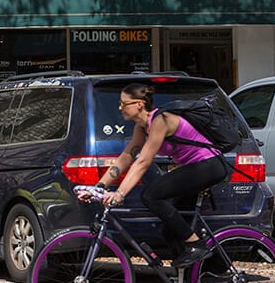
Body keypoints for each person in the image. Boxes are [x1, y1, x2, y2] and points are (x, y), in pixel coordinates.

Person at [91, 83, 229, 268]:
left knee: (151, 195)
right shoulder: (141, 128)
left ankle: (197, 245)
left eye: (124, 103)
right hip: (195, 168)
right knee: (170, 231)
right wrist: (99, 187)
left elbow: (143, 162)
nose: (119, 107)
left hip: (209, 165)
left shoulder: (160, 120)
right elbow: (125, 158)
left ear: (139, 104)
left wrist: (119, 194)